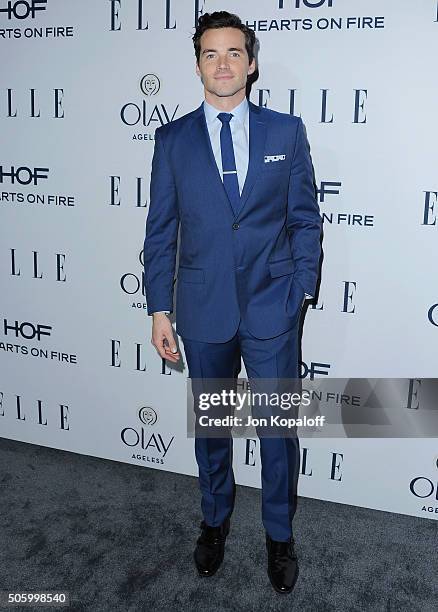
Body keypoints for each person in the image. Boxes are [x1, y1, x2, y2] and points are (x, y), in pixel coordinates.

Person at [143, 10, 321, 595]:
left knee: (276, 432)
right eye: (211, 54)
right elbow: (161, 230)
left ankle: (279, 536)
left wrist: (301, 290)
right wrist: (159, 308)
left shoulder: (286, 132)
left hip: (274, 309)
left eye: (233, 53)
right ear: (198, 65)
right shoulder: (171, 141)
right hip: (203, 310)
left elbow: (304, 219)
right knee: (213, 428)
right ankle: (214, 522)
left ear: (251, 62)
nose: (223, 64)